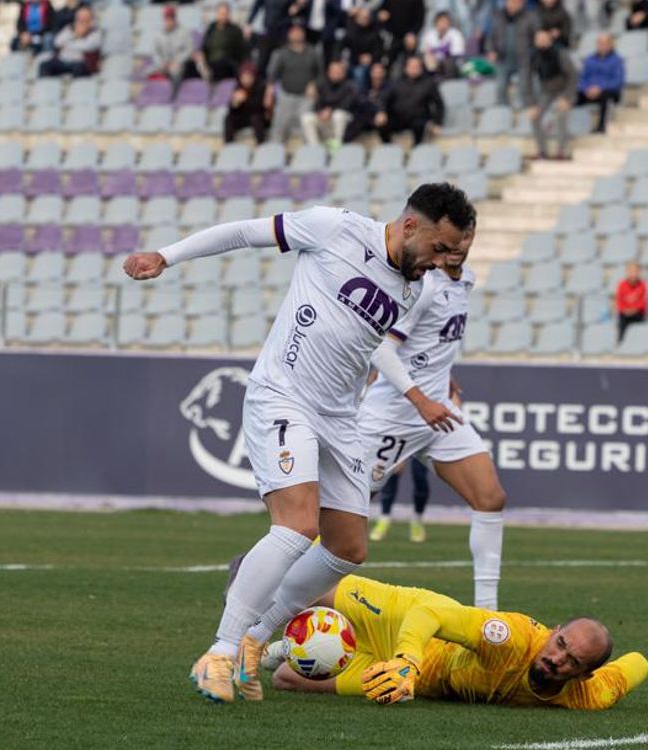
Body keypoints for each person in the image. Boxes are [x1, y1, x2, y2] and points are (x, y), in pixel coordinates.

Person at [121, 183, 476, 704]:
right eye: (440, 249)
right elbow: (244, 232)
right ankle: (218, 653)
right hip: (283, 396)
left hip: (340, 416)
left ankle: (255, 640)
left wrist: (424, 383)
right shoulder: (336, 228)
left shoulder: (414, 286)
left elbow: (367, 345)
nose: (444, 263)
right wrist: (166, 256)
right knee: (296, 526)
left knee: (348, 546)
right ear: (409, 226)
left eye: (457, 256)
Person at [358, 227, 510, 610]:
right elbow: (382, 352)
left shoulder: (467, 280)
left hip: (440, 415)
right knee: (343, 516)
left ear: (473, 236)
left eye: (467, 236)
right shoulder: (424, 285)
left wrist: (444, 382)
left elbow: (434, 346)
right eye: (452, 237)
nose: (459, 245)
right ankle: (276, 591)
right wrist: (422, 400)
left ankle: (486, 616)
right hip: (392, 415)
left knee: (490, 497)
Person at [264, 574, 648, 710]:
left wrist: (408, 672)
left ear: (584, 676)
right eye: (561, 643)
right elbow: (430, 616)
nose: (556, 659)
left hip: (415, 681)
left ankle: (290, 647)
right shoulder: (511, 637)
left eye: (572, 662)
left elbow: (639, 663)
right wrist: (407, 659)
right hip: (409, 623)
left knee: (285, 679)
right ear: (553, 631)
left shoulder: (589, 695)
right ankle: (245, 618)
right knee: (305, 589)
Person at [524, 28, 577, 161]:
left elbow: (573, 75)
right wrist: (531, 103)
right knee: (534, 117)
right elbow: (527, 80)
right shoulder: (533, 56)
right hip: (546, 91)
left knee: (560, 113)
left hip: (563, 89)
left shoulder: (560, 53)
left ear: (549, 39)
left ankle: (561, 151)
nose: (541, 42)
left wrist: (567, 97)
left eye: (544, 39)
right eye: (538, 39)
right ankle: (543, 151)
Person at [265, 24, 319, 145]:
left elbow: (320, 74)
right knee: (279, 129)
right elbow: (272, 76)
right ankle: (275, 153)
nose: (296, 35)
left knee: (307, 128)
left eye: (299, 32)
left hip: (306, 98)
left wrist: (314, 84)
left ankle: (308, 155)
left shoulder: (312, 52)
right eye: (293, 32)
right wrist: (269, 93)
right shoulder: (282, 54)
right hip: (286, 96)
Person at [376, 53, 443, 145]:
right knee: (381, 125)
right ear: (405, 68)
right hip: (398, 117)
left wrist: (437, 123)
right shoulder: (396, 83)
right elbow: (383, 98)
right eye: (411, 66)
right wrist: (381, 111)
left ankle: (416, 149)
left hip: (418, 118)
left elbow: (439, 105)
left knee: (420, 126)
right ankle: (389, 147)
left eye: (417, 66)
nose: (414, 69)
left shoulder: (429, 84)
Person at [487, 0, 537, 107]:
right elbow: (490, 38)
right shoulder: (498, 17)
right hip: (503, 58)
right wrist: (491, 51)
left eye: (517, 2)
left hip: (523, 59)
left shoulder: (529, 17)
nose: (513, 4)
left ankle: (523, 114)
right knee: (500, 87)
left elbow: (536, 39)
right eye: (511, 2)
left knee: (524, 88)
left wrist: (531, 54)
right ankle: (502, 113)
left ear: (522, 3)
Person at [369, 458, 431, 543]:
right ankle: (384, 519)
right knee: (392, 472)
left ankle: (417, 521)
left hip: (421, 446)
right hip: (400, 445)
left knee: (420, 477)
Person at [301, 57, 357, 148]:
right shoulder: (322, 85)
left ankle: (337, 144)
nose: (335, 74)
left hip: (344, 120)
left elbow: (347, 104)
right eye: (333, 71)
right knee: (306, 118)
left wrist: (330, 110)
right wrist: (320, 112)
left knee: (338, 115)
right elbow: (318, 103)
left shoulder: (350, 86)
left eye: (338, 72)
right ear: (328, 72)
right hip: (325, 118)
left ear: (343, 73)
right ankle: (314, 148)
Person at [576, 31, 623, 134]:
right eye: (600, 43)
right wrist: (586, 89)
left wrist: (600, 88)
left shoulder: (617, 60)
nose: (602, 46)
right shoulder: (589, 59)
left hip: (608, 91)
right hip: (589, 91)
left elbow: (617, 81)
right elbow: (582, 78)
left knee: (605, 97)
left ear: (611, 44)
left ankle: (601, 127)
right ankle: (575, 127)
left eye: (605, 43)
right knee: (573, 97)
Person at [38, 5, 100, 78]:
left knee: (79, 67)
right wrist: (74, 35)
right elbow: (57, 42)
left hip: (81, 63)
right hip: (63, 61)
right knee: (44, 65)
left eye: (84, 18)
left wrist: (67, 45)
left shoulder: (95, 32)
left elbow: (88, 46)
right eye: (79, 18)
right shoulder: (69, 29)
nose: (81, 20)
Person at [194, 2, 247, 82]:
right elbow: (204, 46)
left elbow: (241, 52)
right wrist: (200, 54)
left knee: (220, 64)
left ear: (229, 15)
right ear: (217, 14)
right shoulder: (211, 28)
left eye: (225, 14)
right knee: (189, 65)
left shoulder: (235, 30)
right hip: (210, 62)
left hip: (227, 63)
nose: (223, 16)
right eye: (221, 14)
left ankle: (210, 79)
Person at [222, 60, 270, 142]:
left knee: (256, 118)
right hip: (243, 117)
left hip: (257, 117)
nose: (246, 80)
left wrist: (245, 99)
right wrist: (235, 103)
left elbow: (259, 106)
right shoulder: (238, 87)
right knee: (228, 118)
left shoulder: (260, 87)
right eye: (243, 77)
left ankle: (261, 144)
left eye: (248, 77)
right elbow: (232, 109)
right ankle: (228, 144)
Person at [150, 5, 196, 84]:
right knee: (151, 73)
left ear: (175, 18)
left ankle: (174, 94)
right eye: (166, 18)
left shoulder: (184, 32)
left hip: (179, 65)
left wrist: (177, 61)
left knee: (175, 71)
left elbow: (189, 49)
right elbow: (155, 52)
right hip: (163, 64)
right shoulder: (159, 34)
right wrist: (161, 63)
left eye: (171, 18)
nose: (169, 20)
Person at [418, 11, 466, 78]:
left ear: (449, 23)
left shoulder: (456, 34)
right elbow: (423, 51)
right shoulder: (429, 35)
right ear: (436, 23)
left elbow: (456, 55)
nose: (443, 25)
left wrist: (439, 62)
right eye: (441, 22)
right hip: (432, 63)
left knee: (449, 63)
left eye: (445, 22)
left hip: (451, 64)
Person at [613, 261, 648, 340]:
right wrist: (625, 310)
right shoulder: (622, 284)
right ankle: (621, 343)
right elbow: (619, 301)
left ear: (639, 272)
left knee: (638, 326)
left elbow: (643, 302)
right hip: (625, 313)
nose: (633, 273)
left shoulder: (643, 285)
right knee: (622, 323)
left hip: (637, 313)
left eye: (635, 271)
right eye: (631, 271)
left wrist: (634, 309)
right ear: (627, 272)